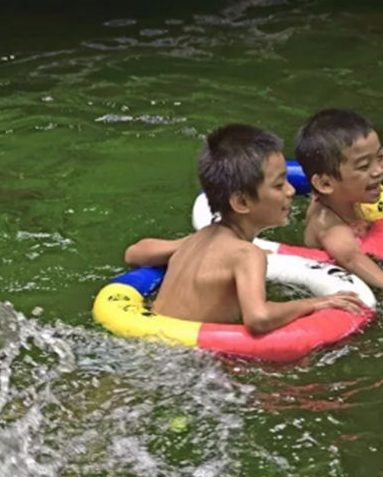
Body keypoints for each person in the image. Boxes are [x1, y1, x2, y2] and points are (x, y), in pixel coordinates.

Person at [124, 124, 364, 333]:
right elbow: (259, 318)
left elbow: (134, 254)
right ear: (241, 202)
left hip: (149, 345)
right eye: (279, 185)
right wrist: (316, 303)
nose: (291, 191)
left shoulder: (196, 240)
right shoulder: (247, 255)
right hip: (188, 362)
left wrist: (183, 246)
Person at [295, 108, 383, 306]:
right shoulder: (329, 226)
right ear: (325, 184)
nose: (378, 171)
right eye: (364, 166)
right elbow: (351, 258)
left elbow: (366, 163)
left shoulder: (339, 191)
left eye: (379, 157)